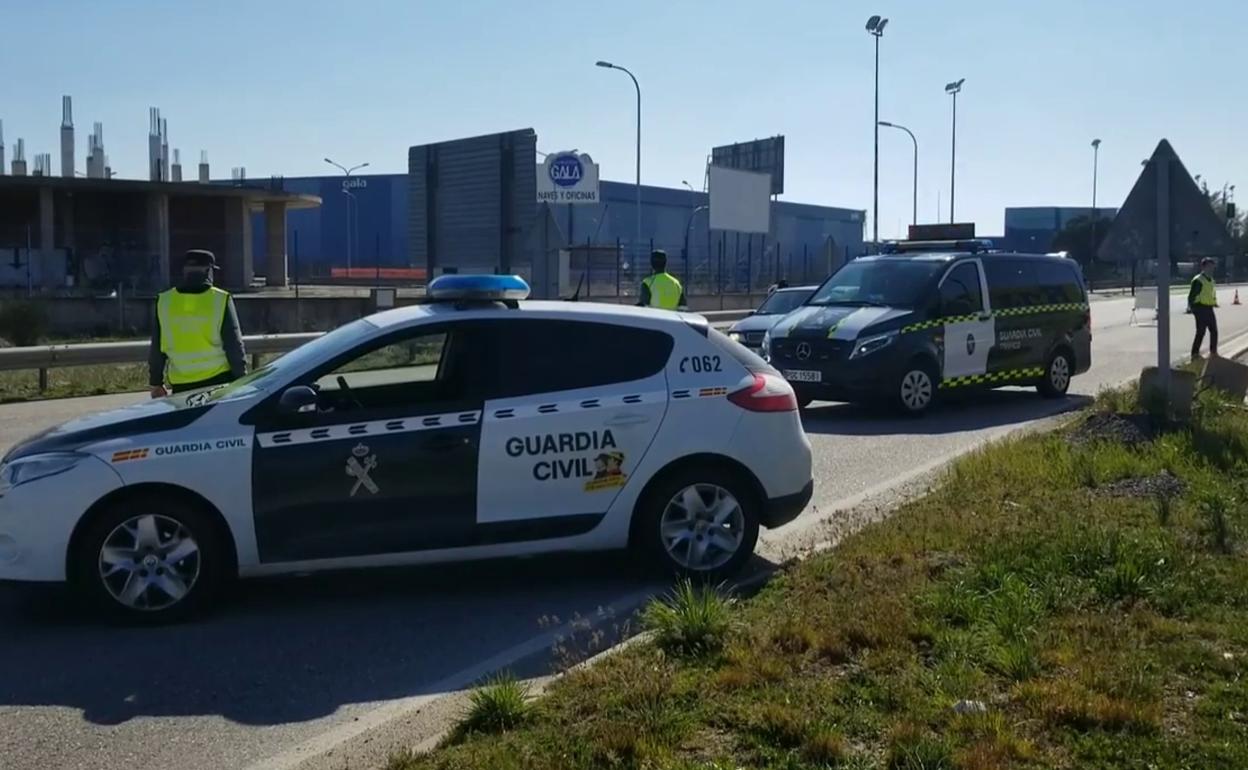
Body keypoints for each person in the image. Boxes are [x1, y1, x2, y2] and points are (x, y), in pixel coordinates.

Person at [149, 249, 247, 397]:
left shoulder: (164, 301)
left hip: (181, 385)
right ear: (209, 271)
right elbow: (234, 345)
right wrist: (242, 380)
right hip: (218, 382)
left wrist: (156, 382)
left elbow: (156, 348)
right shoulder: (220, 299)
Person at [1188, 257, 1219, 361]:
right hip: (1200, 308)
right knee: (1201, 331)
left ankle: (1213, 352)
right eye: (1209, 266)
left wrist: (1213, 303)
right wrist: (1193, 308)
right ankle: (1194, 354)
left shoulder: (1211, 280)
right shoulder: (1198, 280)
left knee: (1214, 330)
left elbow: (1210, 294)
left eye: (1212, 267)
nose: (1211, 269)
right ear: (1203, 267)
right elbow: (1192, 296)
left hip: (1209, 308)